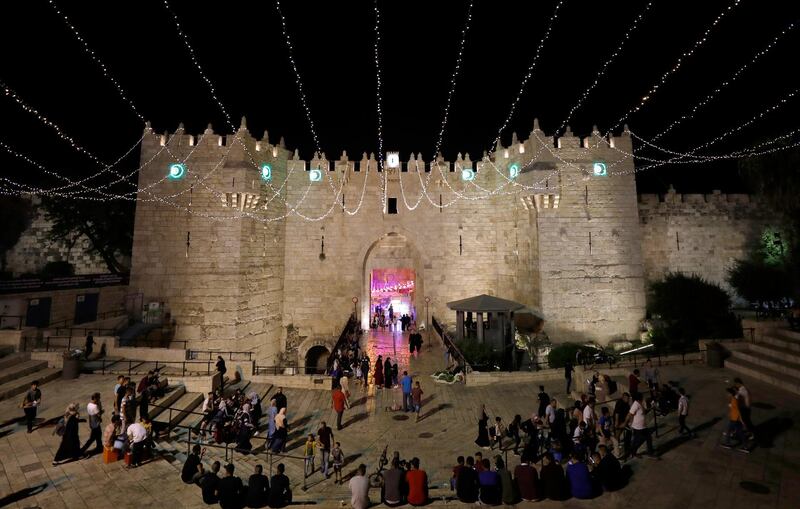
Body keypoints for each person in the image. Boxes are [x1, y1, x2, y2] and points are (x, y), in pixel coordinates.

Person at [626, 392, 654, 458]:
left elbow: (643, 412)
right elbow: (630, 414)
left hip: (642, 426)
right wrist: (628, 423)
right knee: (640, 440)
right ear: (639, 397)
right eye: (642, 396)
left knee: (644, 439)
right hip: (638, 427)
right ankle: (634, 452)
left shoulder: (640, 403)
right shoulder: (635, 404)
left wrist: (651, 408)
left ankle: (634, 452)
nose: (643, 397)